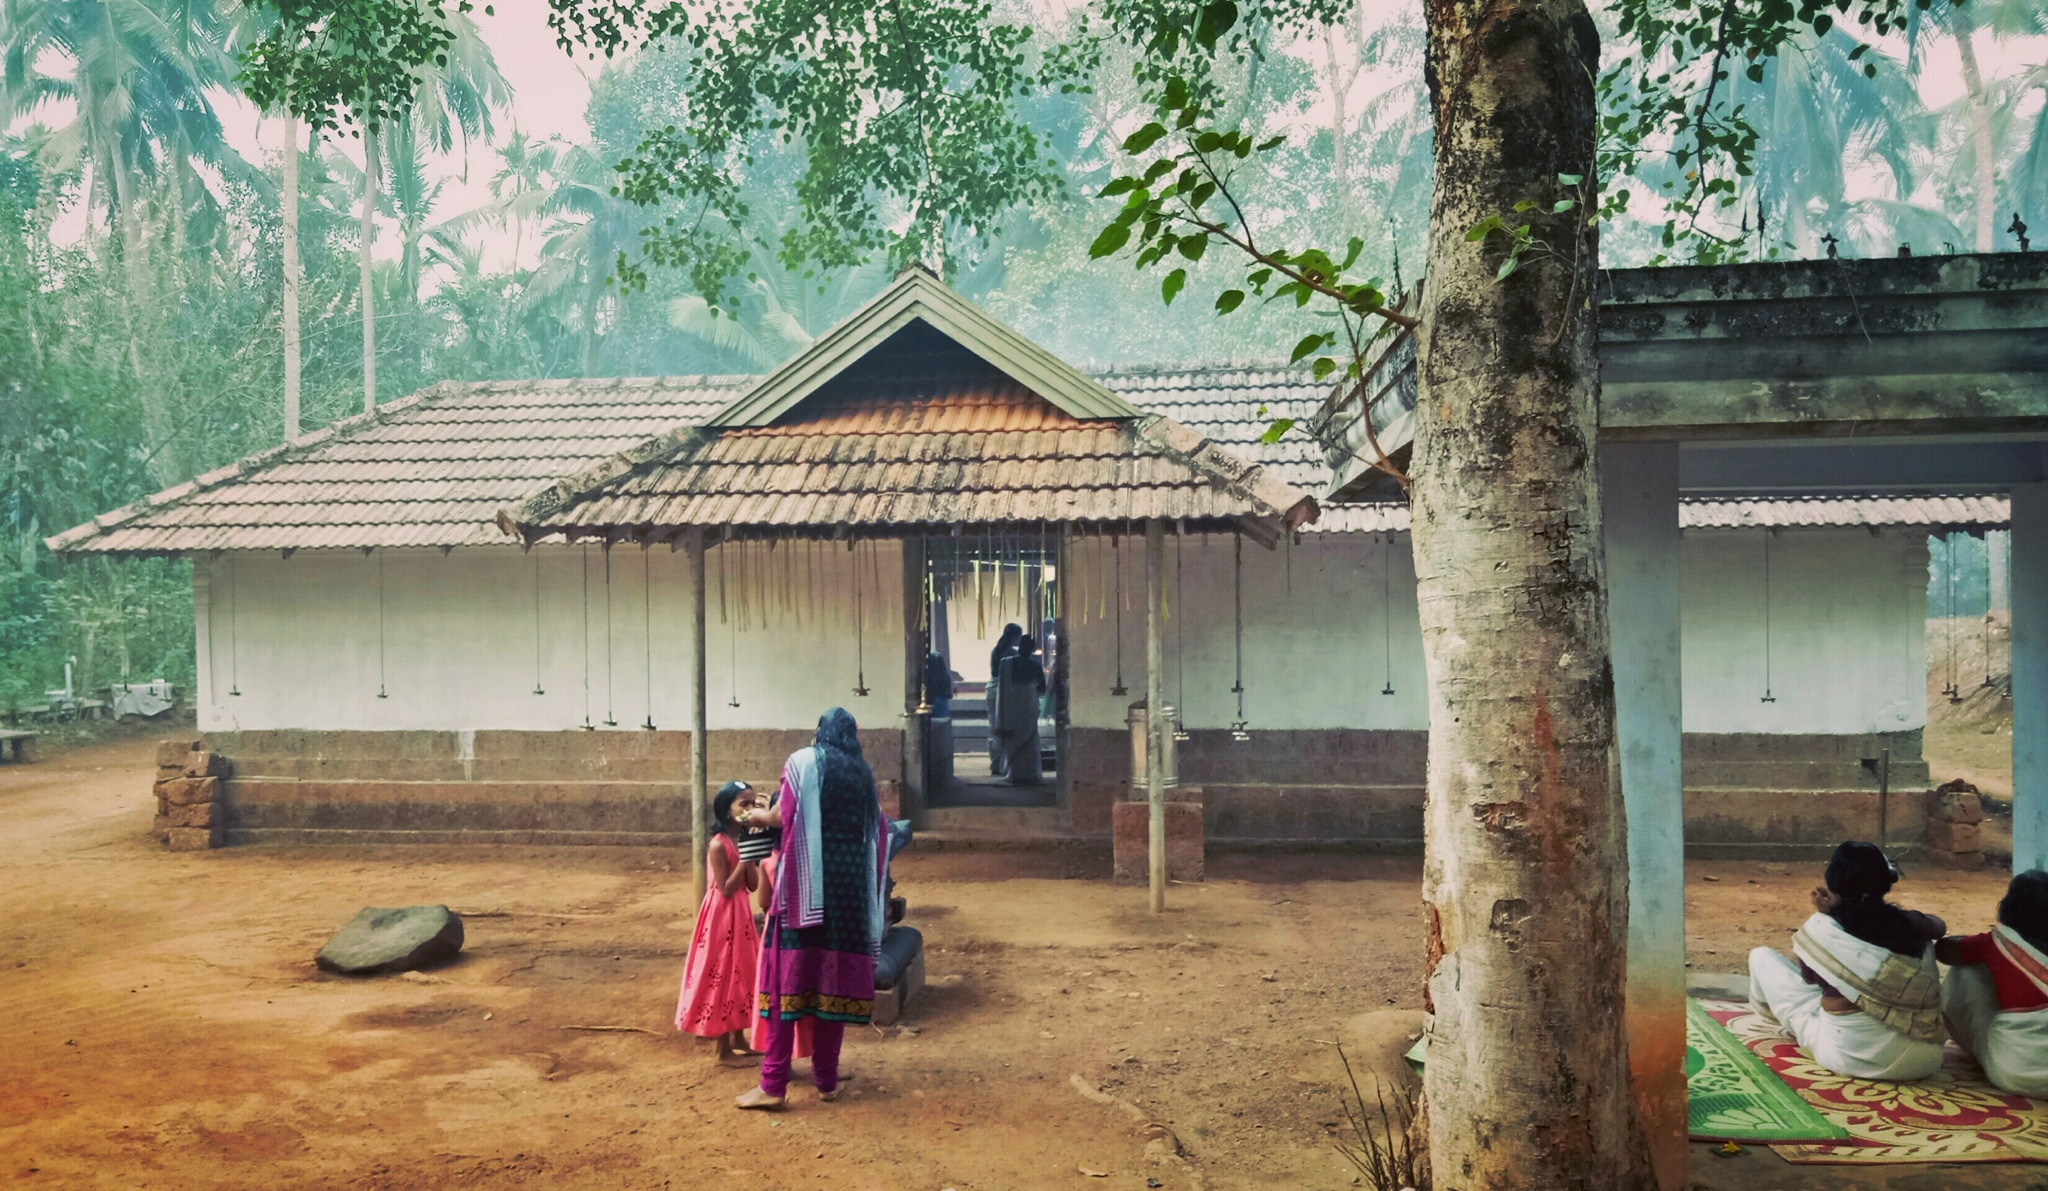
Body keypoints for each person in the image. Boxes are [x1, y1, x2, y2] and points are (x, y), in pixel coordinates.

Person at [735, 708, 892, 1110]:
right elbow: (877, 828)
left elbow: (784, 815)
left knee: (785, 984)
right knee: (830, 988)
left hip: (804, 891)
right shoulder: (862, 775)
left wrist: (755, 815)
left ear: (819, 733)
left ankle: (772, 1085)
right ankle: (826, 1081)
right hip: (849, 897)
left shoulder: (803, 761)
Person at [1748, 841, 1947, 1081]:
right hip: (1925, 1060)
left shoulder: (1823, 929)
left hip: (1851, 1056)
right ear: (1886, 882)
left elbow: (1810, 979)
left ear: (1833, 883)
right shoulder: (1913, 923)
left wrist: (1832, 914)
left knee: (1761, 957)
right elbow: (1939, 926)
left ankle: (1779, 1022)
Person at [1938, 870, 2048, 1096]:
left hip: (2014, 1072)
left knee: (1966, 970)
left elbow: (1945, 950)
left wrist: (1977, 945)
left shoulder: (1998, 942)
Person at [674, 781, 763, 1063]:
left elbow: (752, 885)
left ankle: (739, 1038)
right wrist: (745, 858)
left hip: (740, 912)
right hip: (721, 915)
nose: (749, 809)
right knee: (723, 972)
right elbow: (724, 888)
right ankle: (722, 1050)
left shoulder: (743, 840)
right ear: (727, 810)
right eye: (743, 804)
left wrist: (750, 856)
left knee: (742, 970)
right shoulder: (717, 845)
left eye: (752, 804)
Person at [996, 634, 1047, 785]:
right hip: (1029, 706)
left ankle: (1015, 773)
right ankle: (1030, 773)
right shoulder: (1036, 666)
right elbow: (1042, 688)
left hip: (1011, 706)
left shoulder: (1006, 664)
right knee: (1029, 739)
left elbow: (1002, 688)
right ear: (1032, 649)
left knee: (1014, 739)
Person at [987, 624, 1022, 776]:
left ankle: (995, 763)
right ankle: (1006, 764)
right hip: (1005, 691)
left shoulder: (996, 650)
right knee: (1006, 726)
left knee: (994, 726)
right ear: (1015, 637)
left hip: (992, 689)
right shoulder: (1012, 654)